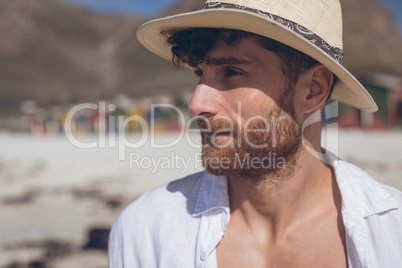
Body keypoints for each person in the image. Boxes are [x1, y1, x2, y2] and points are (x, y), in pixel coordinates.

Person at [109, 0, 402, 267]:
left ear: (314, 90)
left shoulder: (391, 232)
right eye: (200, 74)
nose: (197, 104)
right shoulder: (147, 229)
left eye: (232, 71)